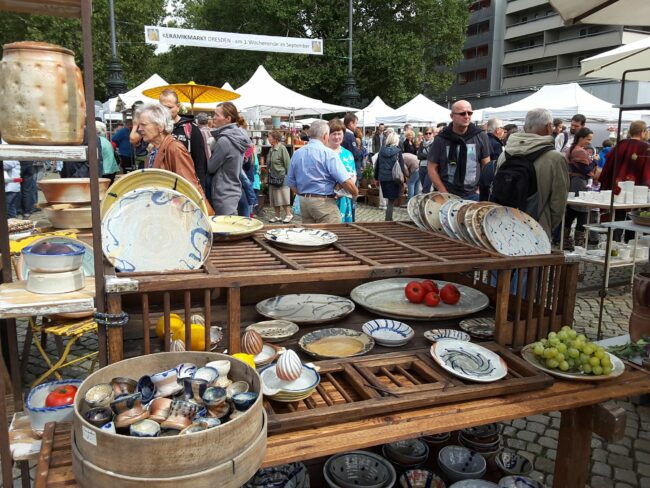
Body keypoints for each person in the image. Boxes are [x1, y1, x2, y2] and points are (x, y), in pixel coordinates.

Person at [493, 108, 569, 237]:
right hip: (537, 229)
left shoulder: (505, 154)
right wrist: (549, 225)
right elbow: (559, 202)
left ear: (525, 126)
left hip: (504, 226)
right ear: (549, 127)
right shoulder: (555, 158)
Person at [135, 103, 210, 212]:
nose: (139, 129)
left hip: (176, 215)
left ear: (160, 127)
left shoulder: (174, 148)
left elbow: (189, 187)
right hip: (162, 212)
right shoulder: (153, 149)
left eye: (143, 125)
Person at [287, 120, 358, 224]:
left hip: (304, 202)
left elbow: (291, 182)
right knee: (333, 233)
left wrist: (305, 194)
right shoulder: (328, 154)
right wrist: (355, 192)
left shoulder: (297, 153)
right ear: (325, 136)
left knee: (311, 236)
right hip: (323, 202)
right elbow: (346, 181)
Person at [427, 100, 490, 201]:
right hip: (447, 193)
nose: (466, 116)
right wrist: (444, 192)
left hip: (473, 194)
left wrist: (479, 190)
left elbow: (486, 165)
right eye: (462, 113)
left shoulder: (480, 136)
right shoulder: (441, 139)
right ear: (452, 116)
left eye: (469, 113)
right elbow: (431, 167)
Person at [598, 121, 650, 242]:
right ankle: (629, 244)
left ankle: (614, 243)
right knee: (633, 220)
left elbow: (608, 166)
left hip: (617, 187)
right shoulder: (646, 148)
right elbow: (647, 171)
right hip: (636, 190)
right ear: (643, 132)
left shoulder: (619, 145)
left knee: (617, 216)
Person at [158, 90, 209, 195]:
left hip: (185, 186)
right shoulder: (157, 128)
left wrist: (201, 192)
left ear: (178, 106)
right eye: (163, 107)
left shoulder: (191, 129)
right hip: (163, 185)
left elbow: (200, 162)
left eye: (169, 107)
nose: (166, 111)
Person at [209, 102, 250, 216]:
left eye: (217, 115)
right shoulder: (237, 136)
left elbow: (211, 168)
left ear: (227, 118)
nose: (214, 117)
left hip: (223, 192)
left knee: (225, 230)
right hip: (233, 189)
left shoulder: (224, 141)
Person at [564, 127, 596, 250]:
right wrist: (594, 161)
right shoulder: (580, 151)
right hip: (579, 183)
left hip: (573, 182)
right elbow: (586, 170)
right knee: (582, 211)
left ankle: (565, 240)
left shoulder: (572, 149)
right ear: (581, 138)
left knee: (571, 211)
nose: (589, 142)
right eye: (588, 139)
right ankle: (578, 243)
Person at [327, 119, 356, 222]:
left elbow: (353, 176)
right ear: (328, 135)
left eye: (339, 134)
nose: (337, 137)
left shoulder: (348, 154)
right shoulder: (323, 152)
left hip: (344, 199)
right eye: (334, 134)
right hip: (327, 200)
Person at [374, 132, 406, 221]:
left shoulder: (381, 151)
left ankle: (388, 218)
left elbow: (377, 165)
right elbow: (402, 167)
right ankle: (388, 220)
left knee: (389, 200)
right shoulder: (398, 151)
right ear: (396, 140)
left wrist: (376, 178)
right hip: (394, 179)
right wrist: (404, 180)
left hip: (383, 179)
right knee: (391, 201)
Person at [266, 130, 293, 223]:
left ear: (275, 138)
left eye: (269, 137)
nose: (268, 138)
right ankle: (277, 216)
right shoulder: (271, 149)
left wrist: (289, 177)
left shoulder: (282, 149)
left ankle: (289, 214)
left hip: (281, 177)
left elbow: (288, 164)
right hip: (272, 177)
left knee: (283, 197)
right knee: (274, 197)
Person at [479, 118, 505, 201]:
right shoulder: (497, 144)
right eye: (502, 128)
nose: (503, 131)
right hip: (488, 181)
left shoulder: (481, 140)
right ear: (497, 130)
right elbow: (496, 166)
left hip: (478, 180)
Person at [342, 112, 363, 182]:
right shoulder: (350, 136)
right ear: (351, 123)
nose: (356, 126)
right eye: (355, 123)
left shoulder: (343, 134)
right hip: (351, 169)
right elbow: (355, 155)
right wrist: (359, 146)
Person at [417, 127, 434, 193]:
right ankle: (426, 201)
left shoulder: (434, 144)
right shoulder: (422, 143)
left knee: (426, 187)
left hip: (430, 168)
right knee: (423, 186)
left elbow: (433, 156)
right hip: (422, 167)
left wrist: (423, 155)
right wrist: (428, 156)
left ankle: (426, 202)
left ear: (432, 134)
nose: (428, 135)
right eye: (426, 133)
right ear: (424, 135)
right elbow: (418, 156)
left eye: (430, 133)